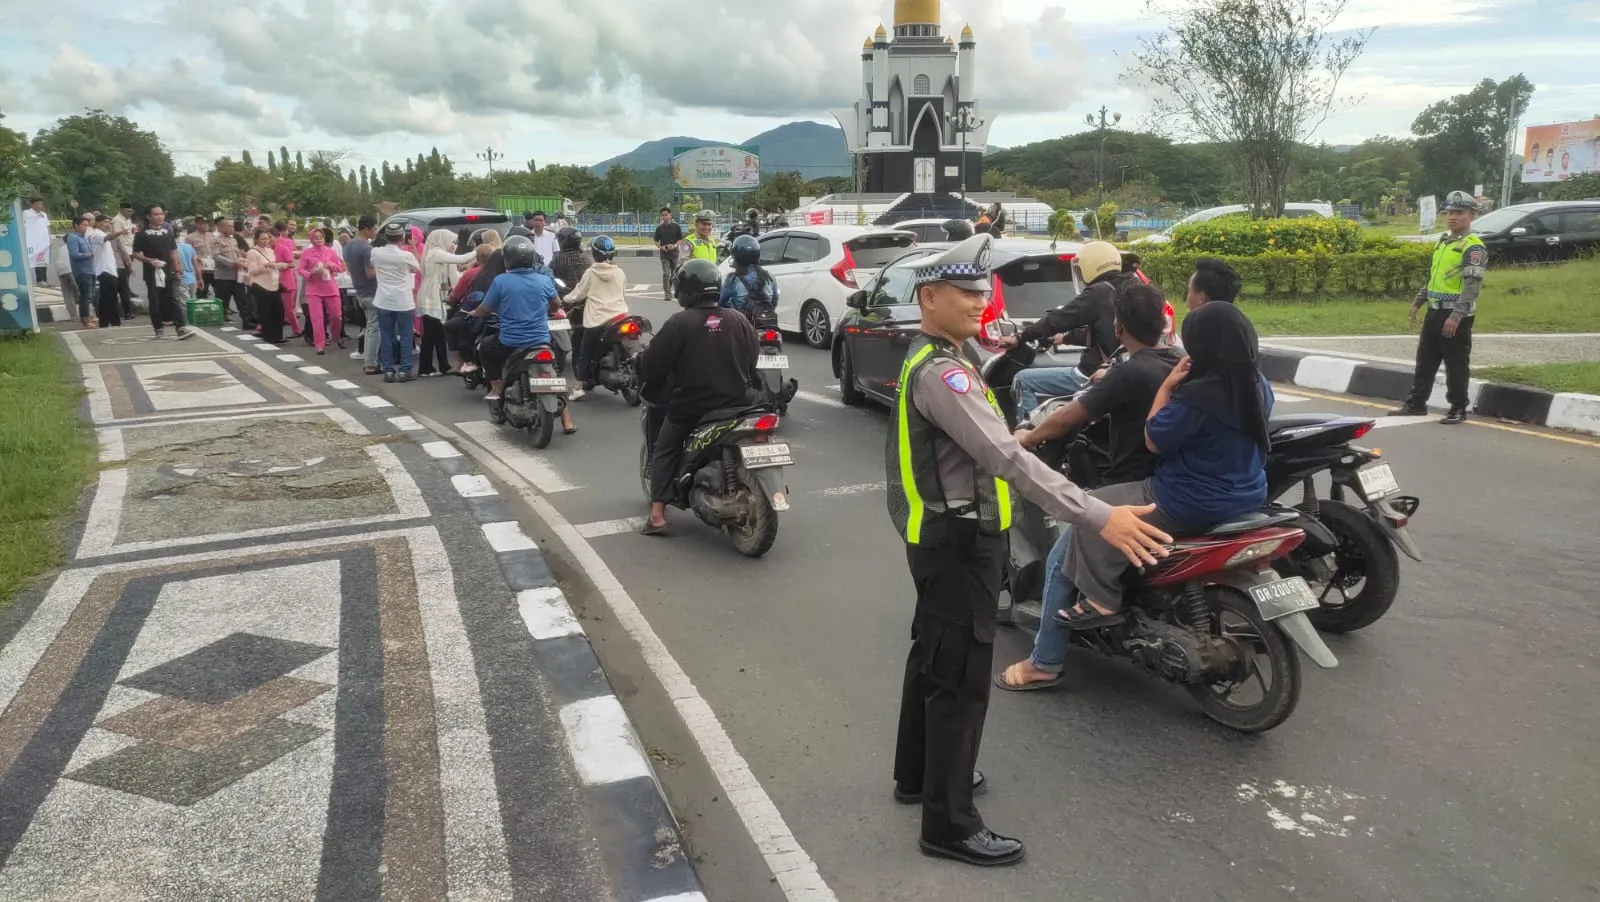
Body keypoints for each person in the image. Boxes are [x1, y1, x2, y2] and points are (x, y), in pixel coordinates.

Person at [885, 233, 1171, 867]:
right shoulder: (946, 371)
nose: (981, 302)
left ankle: (919, 777)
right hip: (960, 540)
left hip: (938, 535)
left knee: (931, 654)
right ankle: (949, 824)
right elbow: (1006, 459)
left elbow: (982, 443)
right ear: (929, 298)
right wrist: (1099, 515)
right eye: (968, 293)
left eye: (984, 292)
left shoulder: (933, 357)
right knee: (960, 679)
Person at [996, 283, 1185, 691]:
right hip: (1175, 482)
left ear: (1118, 327)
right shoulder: (1177, 359)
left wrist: (1028, 438)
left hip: (1136, 487)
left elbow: (1070, 416)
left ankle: (1044, 662)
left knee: (1062, 560)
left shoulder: (1132, 371)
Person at [1052, 300, 1271, 632]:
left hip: (1187, 499)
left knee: (1089, 512)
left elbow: (1153, 438)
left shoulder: (1199, 396)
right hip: (1250, 493)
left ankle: (1101, 598)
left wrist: (1167, 387)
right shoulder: (1257, 385)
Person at [638, 258, 760, 536]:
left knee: (664, 447)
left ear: (685, 290)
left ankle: (657, 515)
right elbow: (752, 358)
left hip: (692, 408)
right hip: (740, 403)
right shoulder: (738, 319)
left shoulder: (679, 323)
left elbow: (653, 365)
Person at [1000, 240, 1133, 415]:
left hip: (1094, 373)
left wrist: (1020, 337)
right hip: (1127, 368)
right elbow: (1105, 329)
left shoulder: (1098, 292)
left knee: (1023, 380)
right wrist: (1064, 338)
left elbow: (1058, 319)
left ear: (1090, 265)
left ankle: (1028, 435)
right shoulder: (1134, 287)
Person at [1389, 190, 1487, 425]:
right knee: (1425, 359)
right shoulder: (1443, 243)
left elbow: (1472, 286)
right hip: (1434, 310)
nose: (1453, 217)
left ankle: (1457, 407)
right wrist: (1418, 302)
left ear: (1471, 215)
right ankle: (1416, 403)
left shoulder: (1473, 247)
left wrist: (1456, 315)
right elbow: (1434, 278)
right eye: (1450, 212)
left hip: (1455, 314)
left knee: (1455, 363)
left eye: (1459, 213)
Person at [471, 235, 575, 433]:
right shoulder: (544, 280)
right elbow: (556, 305)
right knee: (553, 374)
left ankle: (495, 387)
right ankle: (567, 421)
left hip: (511, 342)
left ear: (508, 259)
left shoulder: (501, 281)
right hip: (540, 341)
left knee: (485, 347)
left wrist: (474, 313)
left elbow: (485, 308)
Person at [566, 235, 628, 398]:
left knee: (583, 351)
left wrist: (563, 300)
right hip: (620, 316)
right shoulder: (619, 271)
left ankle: (579, 386)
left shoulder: (591, 273)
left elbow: (578, 294)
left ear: (594, 254)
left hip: (597, 320)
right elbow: (623, 292)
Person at [416, 229, 476, 375]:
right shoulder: (435, 252)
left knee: (439, 334)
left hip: (436, 296)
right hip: (430, 299)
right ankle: (425, 367)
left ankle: (443, 365)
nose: (453, 245)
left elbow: (453, 276)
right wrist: (479, 250)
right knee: (430, 335)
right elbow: (461, 259)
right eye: (452, 242)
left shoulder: (438, 254)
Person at [370, 222, 424, 382]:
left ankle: (388, 369)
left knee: (386, 335)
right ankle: (404, 370)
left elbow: (374, 263)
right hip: (403, 300)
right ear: (401, 238)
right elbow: (418, 268)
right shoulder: (406, 256)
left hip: (384, 299)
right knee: (406, 335)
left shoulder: (376, 253)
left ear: (386, 237)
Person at [132, 205, 194, 340]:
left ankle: (180, 327)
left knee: (173, 298)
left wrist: (177, 266)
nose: (159, 217)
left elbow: (173, 251)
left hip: (168, 270)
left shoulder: (168, 232)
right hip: (152, 271)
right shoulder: (142, 234)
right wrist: (149, 260)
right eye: (156, 214)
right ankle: (158, 327)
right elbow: (136, 253)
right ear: (149, 217)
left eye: (161, 214)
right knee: (155, 300)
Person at [298, 227, 347, 355]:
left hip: (330, 287)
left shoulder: (330, 251)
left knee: (336, 316)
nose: (319, 239)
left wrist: (332, 265)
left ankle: (336, 337)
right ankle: (319, 344)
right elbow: (301, 270)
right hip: (314, 289)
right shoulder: (307, 253)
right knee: (317, 318)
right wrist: (311, 272)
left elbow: (340, 268)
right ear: (311, 239)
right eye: (316, 237)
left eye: (321, 237)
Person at [345, 216, 380, 374]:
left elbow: (350, 268)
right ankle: (370, 362)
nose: (376, 231)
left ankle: (369, 357)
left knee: (368, 326)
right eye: (374, 228)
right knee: (374, 328)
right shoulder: (367, 249)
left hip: (359, 290)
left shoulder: (349, 246)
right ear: (366, 229)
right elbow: (370, 274)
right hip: (371, 291)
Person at [718, 234, 778, 326]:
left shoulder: (732, 279)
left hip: (741, 323)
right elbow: (774, 300)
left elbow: (722, 301)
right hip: (767, 322)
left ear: (735, 255)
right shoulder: (768, 275)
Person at [244, 229, 290, 342]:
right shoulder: (252, 252)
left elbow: (274, 265)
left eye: (267, 238)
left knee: (278, 310)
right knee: (266, 312)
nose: (266, 241)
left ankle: (278, 335)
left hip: (273, 283)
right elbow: (252, 271)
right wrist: (266, 265)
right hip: (261, 285)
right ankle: (269, 336)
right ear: (256, 239)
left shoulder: (270, 251)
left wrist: (277, 265)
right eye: (263, 239)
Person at [213, 218, 249, 326]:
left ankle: (247, 321)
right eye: (228, 226)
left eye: (232, 226)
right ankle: (221, 320)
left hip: (237, 275)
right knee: (223, 300)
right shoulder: (216, 241)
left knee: (242, 299)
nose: (231, 228)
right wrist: (232, 263)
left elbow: (238, 254)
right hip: (224, 276)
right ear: (220, 227)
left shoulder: (233, 240)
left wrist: (242, 260)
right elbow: (216, 257)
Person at [89, 214, 122, 327]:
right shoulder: (95, 234)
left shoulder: (102, 234)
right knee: (106, 298)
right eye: (105, 222)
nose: (107, 224)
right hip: (104, 270)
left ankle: (113, 321)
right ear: (97, 223)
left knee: (111, 297)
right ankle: (106, 322)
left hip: (110, 270)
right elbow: (107, 238)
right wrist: (121, 232)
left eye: (109, 222)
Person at [66, 216, 98, 328]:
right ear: (76, 225)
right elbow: (74, 254)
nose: (86, 227)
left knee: (91, 295)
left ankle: (90, 317)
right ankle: (85, 320)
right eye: (84, 225)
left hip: (90, 270)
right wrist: (86, 255)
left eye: (87, 225)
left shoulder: (85, 238)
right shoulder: (73, 238)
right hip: (82, 271)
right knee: (85, 296)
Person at [273, 221, 301, 337]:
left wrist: (280, 265)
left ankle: (297, 329)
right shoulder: (269, 248)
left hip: (285, 279)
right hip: (274, 280)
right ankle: (262, 327)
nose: (266, 241)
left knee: (288, 308)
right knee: (272, 305)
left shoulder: (283, 246)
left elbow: (291, 263)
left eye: (269, 238)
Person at [111, 202, 137, 318]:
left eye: (131, 211)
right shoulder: (117, 220)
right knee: (124, 275)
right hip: (124, 249)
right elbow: (117, 236)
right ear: (122, 209)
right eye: (128, 210)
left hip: (130, 248)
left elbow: (130, 233)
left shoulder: (128, 220)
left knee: (127, 273)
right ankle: (126, 292)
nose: (130, 213)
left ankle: (128, 289)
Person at [654, 206, 683, 294]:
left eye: (666, 215)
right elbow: (655, 241)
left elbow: (680, 239)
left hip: (674, 253)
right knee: (666, 274)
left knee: (674, 274)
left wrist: (674, 245)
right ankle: (667, 293)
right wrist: (661, 247)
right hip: (664, 254)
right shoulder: (659, 228)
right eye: (662, 215)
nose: (664, 217)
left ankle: (672, 288)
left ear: (670, 215)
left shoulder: (676, 226)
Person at [23, 197, 50, 285]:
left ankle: (43, 280)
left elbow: (46, 227)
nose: (39, 206)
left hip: (43, 242)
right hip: (33, 242)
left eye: (40, 204)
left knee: (43, 261)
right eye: (37, 204)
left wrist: (49, 239)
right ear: (32, 204)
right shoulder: (26, 213)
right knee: (33, 260)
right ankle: (34, 280)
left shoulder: (44, 215)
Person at [190, 218, 217, 299]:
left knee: (219, 290)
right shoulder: (191, 237)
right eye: (204, 224)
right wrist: (196, 258)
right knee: (202, 291)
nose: (206, 226)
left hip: (213, 268)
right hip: (201, 269)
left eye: (207, 224)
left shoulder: (212, 236)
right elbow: (189, 253)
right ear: (198, 224)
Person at [177, 230, 199, 305]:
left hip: (181, 279)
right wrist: (199, 278)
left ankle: (186, 317)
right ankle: (193, 317)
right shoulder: (189, 247)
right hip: (192, 279)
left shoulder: (172, 249)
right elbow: (196, 264)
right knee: (192, 303)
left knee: (184, 304)